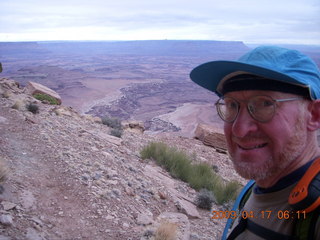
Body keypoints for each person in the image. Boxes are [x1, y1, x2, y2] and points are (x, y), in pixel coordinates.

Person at [190, 45, 320, 240]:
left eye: (265, 104)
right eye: (232, 105)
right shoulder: (252, 191)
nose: (239, 130)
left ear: (314, 115)